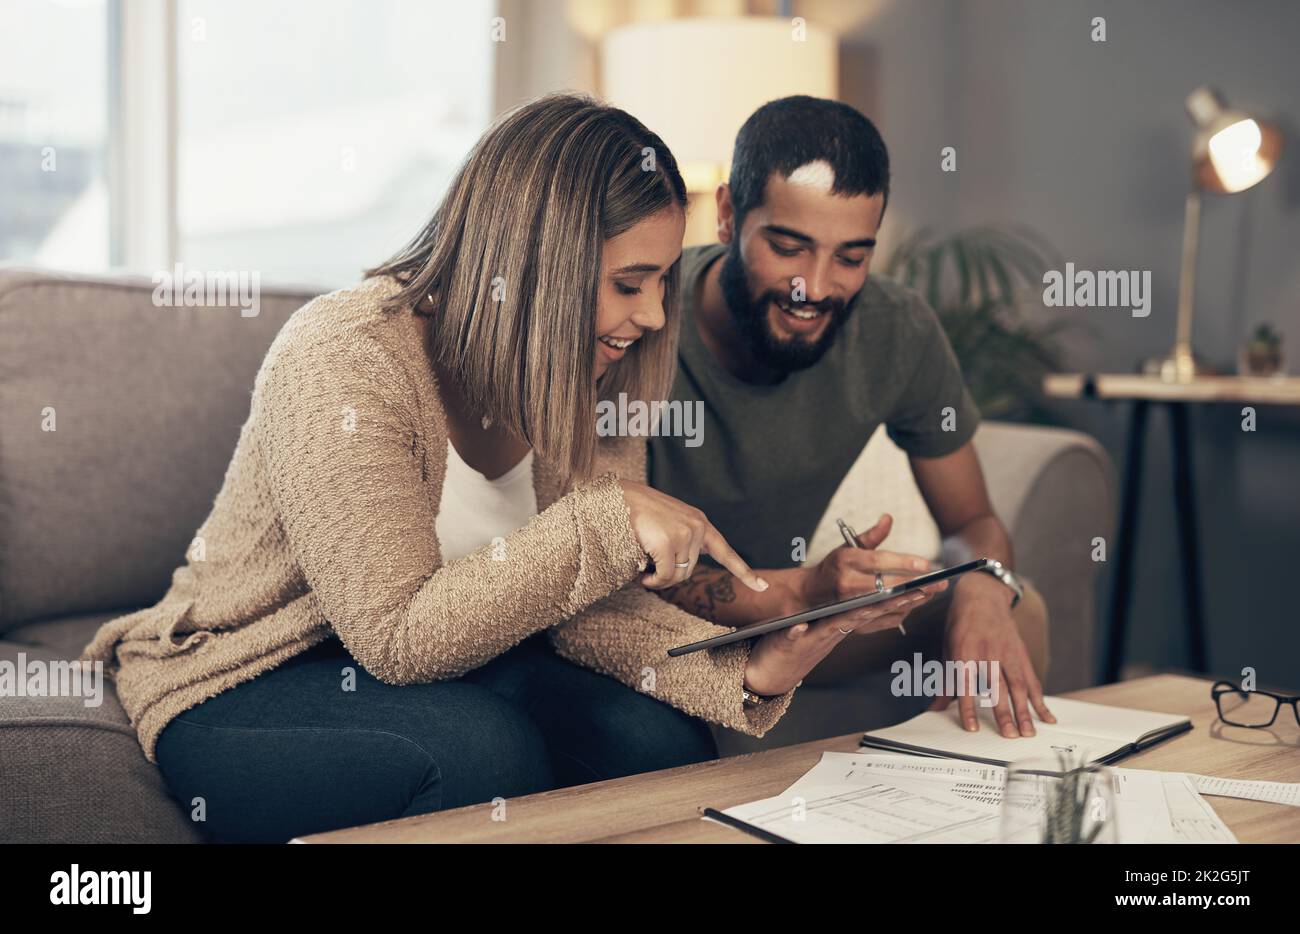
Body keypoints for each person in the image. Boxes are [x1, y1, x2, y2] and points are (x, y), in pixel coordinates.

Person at [79, 94, 936, 843]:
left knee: (658, 742)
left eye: (665, 281)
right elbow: (394, 638)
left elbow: (577, 607)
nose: (653, 314)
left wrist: (740, 668)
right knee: (481, 754)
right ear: (537, 269)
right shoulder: (344, 356)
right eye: (630, 282)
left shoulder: (596, 368)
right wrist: (602, 523)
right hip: (251, 675)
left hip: (462, 661)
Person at [650, 96, 1056, 738]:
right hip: (657, 631)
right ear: (728, 215)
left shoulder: (895, 329)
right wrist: (807, 589)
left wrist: (981, 583)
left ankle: (964, 813)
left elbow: (972, 521)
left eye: (851, 257)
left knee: (1016, 608)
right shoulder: (639, 318)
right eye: (789, 247)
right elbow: (614, 572)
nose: (815, 285)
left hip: (797, 620)